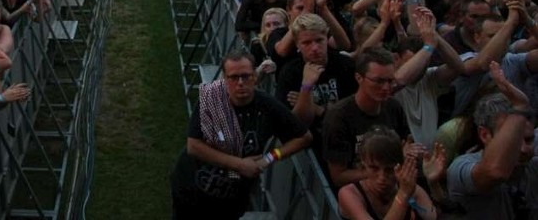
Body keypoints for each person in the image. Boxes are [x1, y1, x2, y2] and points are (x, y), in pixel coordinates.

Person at [170, 49, 312, 220]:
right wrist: (239, 164)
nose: (240, 83)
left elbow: (304, 138)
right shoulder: (211, 100)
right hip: (192, 186)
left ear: (254, 76)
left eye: (246, 76)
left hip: (233, 197)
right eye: (234, 77)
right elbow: (194, 146)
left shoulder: (267, 106)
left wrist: (268, 158)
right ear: (224, 78)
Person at [447, 62, 538, 219]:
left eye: (528, 140)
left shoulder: (532, 164)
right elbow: (495, 171)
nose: (523, 149)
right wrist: (519, 107)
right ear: (485, 135)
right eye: (514, 141)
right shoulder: (461, 167)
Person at [322, 47, 413, 188]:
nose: (386, 87)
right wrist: (383, 172)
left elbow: (407, 143)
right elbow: (339, 176)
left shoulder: (393, 107)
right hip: (358, 193)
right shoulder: (339, 117)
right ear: (359, 78)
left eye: (390, 81)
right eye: (378, 81)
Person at [337, 127, 438, 220]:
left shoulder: (408, 189)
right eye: (374, 168)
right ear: (364, 163)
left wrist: (433, 182)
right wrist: (402, 195)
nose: (382, 178)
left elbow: (432, 216)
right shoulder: (349, 194)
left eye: (389, 170)